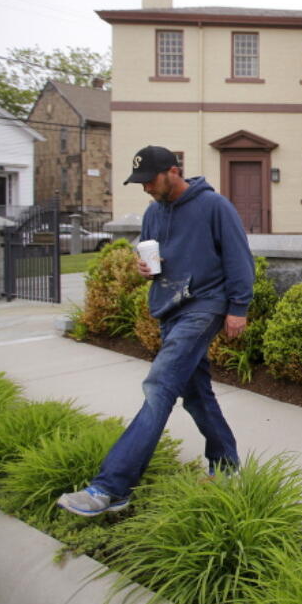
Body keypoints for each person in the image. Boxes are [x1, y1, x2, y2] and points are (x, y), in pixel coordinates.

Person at [57, 145, 255, 516]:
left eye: (150, 179)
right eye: (140, 182)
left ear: (174, 171)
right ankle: (227, 467)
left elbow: (239, 258)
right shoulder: (152, 213)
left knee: (158, 386)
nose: (145, 187)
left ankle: (111, 487)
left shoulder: (215, 207)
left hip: (205, 304)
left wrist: (238, 308)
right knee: (196, 395)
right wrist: (144, 270)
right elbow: (153, 261)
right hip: (170, 309)